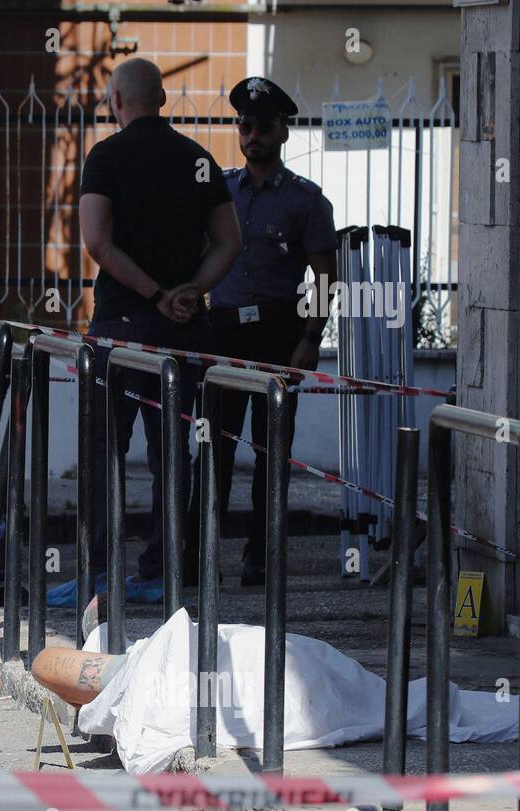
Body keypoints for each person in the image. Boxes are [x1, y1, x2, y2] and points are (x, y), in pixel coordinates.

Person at [77, 57, 241, 606]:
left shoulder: (106, 156)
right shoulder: (199, 160)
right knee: (173, 452)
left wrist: (150, 294)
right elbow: (229, 241)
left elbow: (97, 241)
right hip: (187, 331)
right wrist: (189, 290)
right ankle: (163, 566)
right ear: (164, 100)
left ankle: (100, 568)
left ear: (116, 102)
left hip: (122, 327)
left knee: (107, 451)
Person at [207, 77, 338, 586]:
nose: (252, 134)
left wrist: (310, 339)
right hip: (222, 334)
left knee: (270, 452)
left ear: (283, 132)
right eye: (245, 124)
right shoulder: (220, 191)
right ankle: (203, 554)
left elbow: (327, 277)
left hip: (278, 333)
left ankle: (261, 556)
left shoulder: (306, 201)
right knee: (214, 448)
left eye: (263, 126)